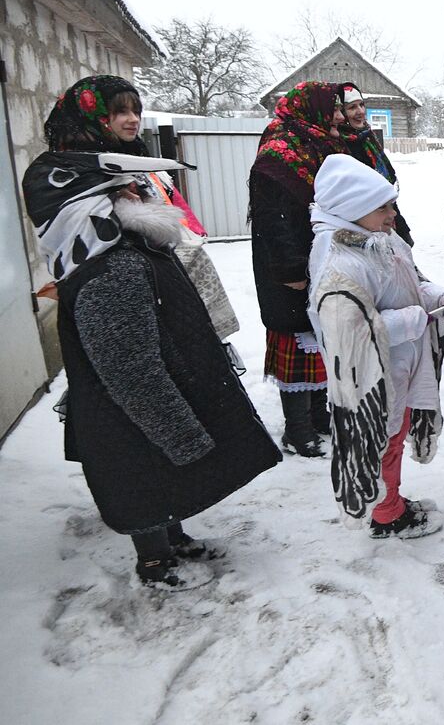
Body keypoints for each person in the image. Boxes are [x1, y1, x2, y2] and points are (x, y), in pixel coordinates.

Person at [21, 148, 281, 590]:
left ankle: (173, 539)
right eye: (126, 189)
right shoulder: (113, 269)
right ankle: (156, 563)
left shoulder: (131, 250)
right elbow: (131, 372)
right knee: (143, 480)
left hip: (152, 400)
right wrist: (181, 433)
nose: (141, 193)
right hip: (130, 416)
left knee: (165, 481)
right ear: (97, 206)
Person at [307, 155, 444, 538]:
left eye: (392, 203)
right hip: (374, 380)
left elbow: (413, 282)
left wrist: (441, 298)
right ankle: (387, 513)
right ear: (353, 209)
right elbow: (348, 330)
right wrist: (414, 319)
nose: (393, 213)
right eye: (383, 207)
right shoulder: (338, 261)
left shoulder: (381, 239)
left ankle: (390, 499)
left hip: (403, 365)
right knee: (382, 443)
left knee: (395, 434)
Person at [43, 76, 241, 348]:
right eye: (121, 111)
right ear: (94, 115)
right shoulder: (65, 176)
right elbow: (86, 248)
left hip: (156, 297)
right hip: (114, 305)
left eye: (136, 111)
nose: (133, 119)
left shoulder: (130, 163)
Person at [248, 81, 346, 456]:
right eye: (332, 109)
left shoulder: (315, 146)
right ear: (312, 112)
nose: (338, 116)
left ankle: (319, 417)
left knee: (320, 339)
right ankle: (297, 428)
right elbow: (273, 220)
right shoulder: (278, 157)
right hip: (289, 271)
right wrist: (292, 269)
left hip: (320, 261)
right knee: (297, 344)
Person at [338, 82, 412, 245]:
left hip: (385, 215)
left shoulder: (367, 137)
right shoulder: (339, 145)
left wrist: (401, 225)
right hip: (362, 225)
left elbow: (383, 187)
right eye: (352, 107)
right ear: (342, 112)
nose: (360, 112)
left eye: (362, 105)